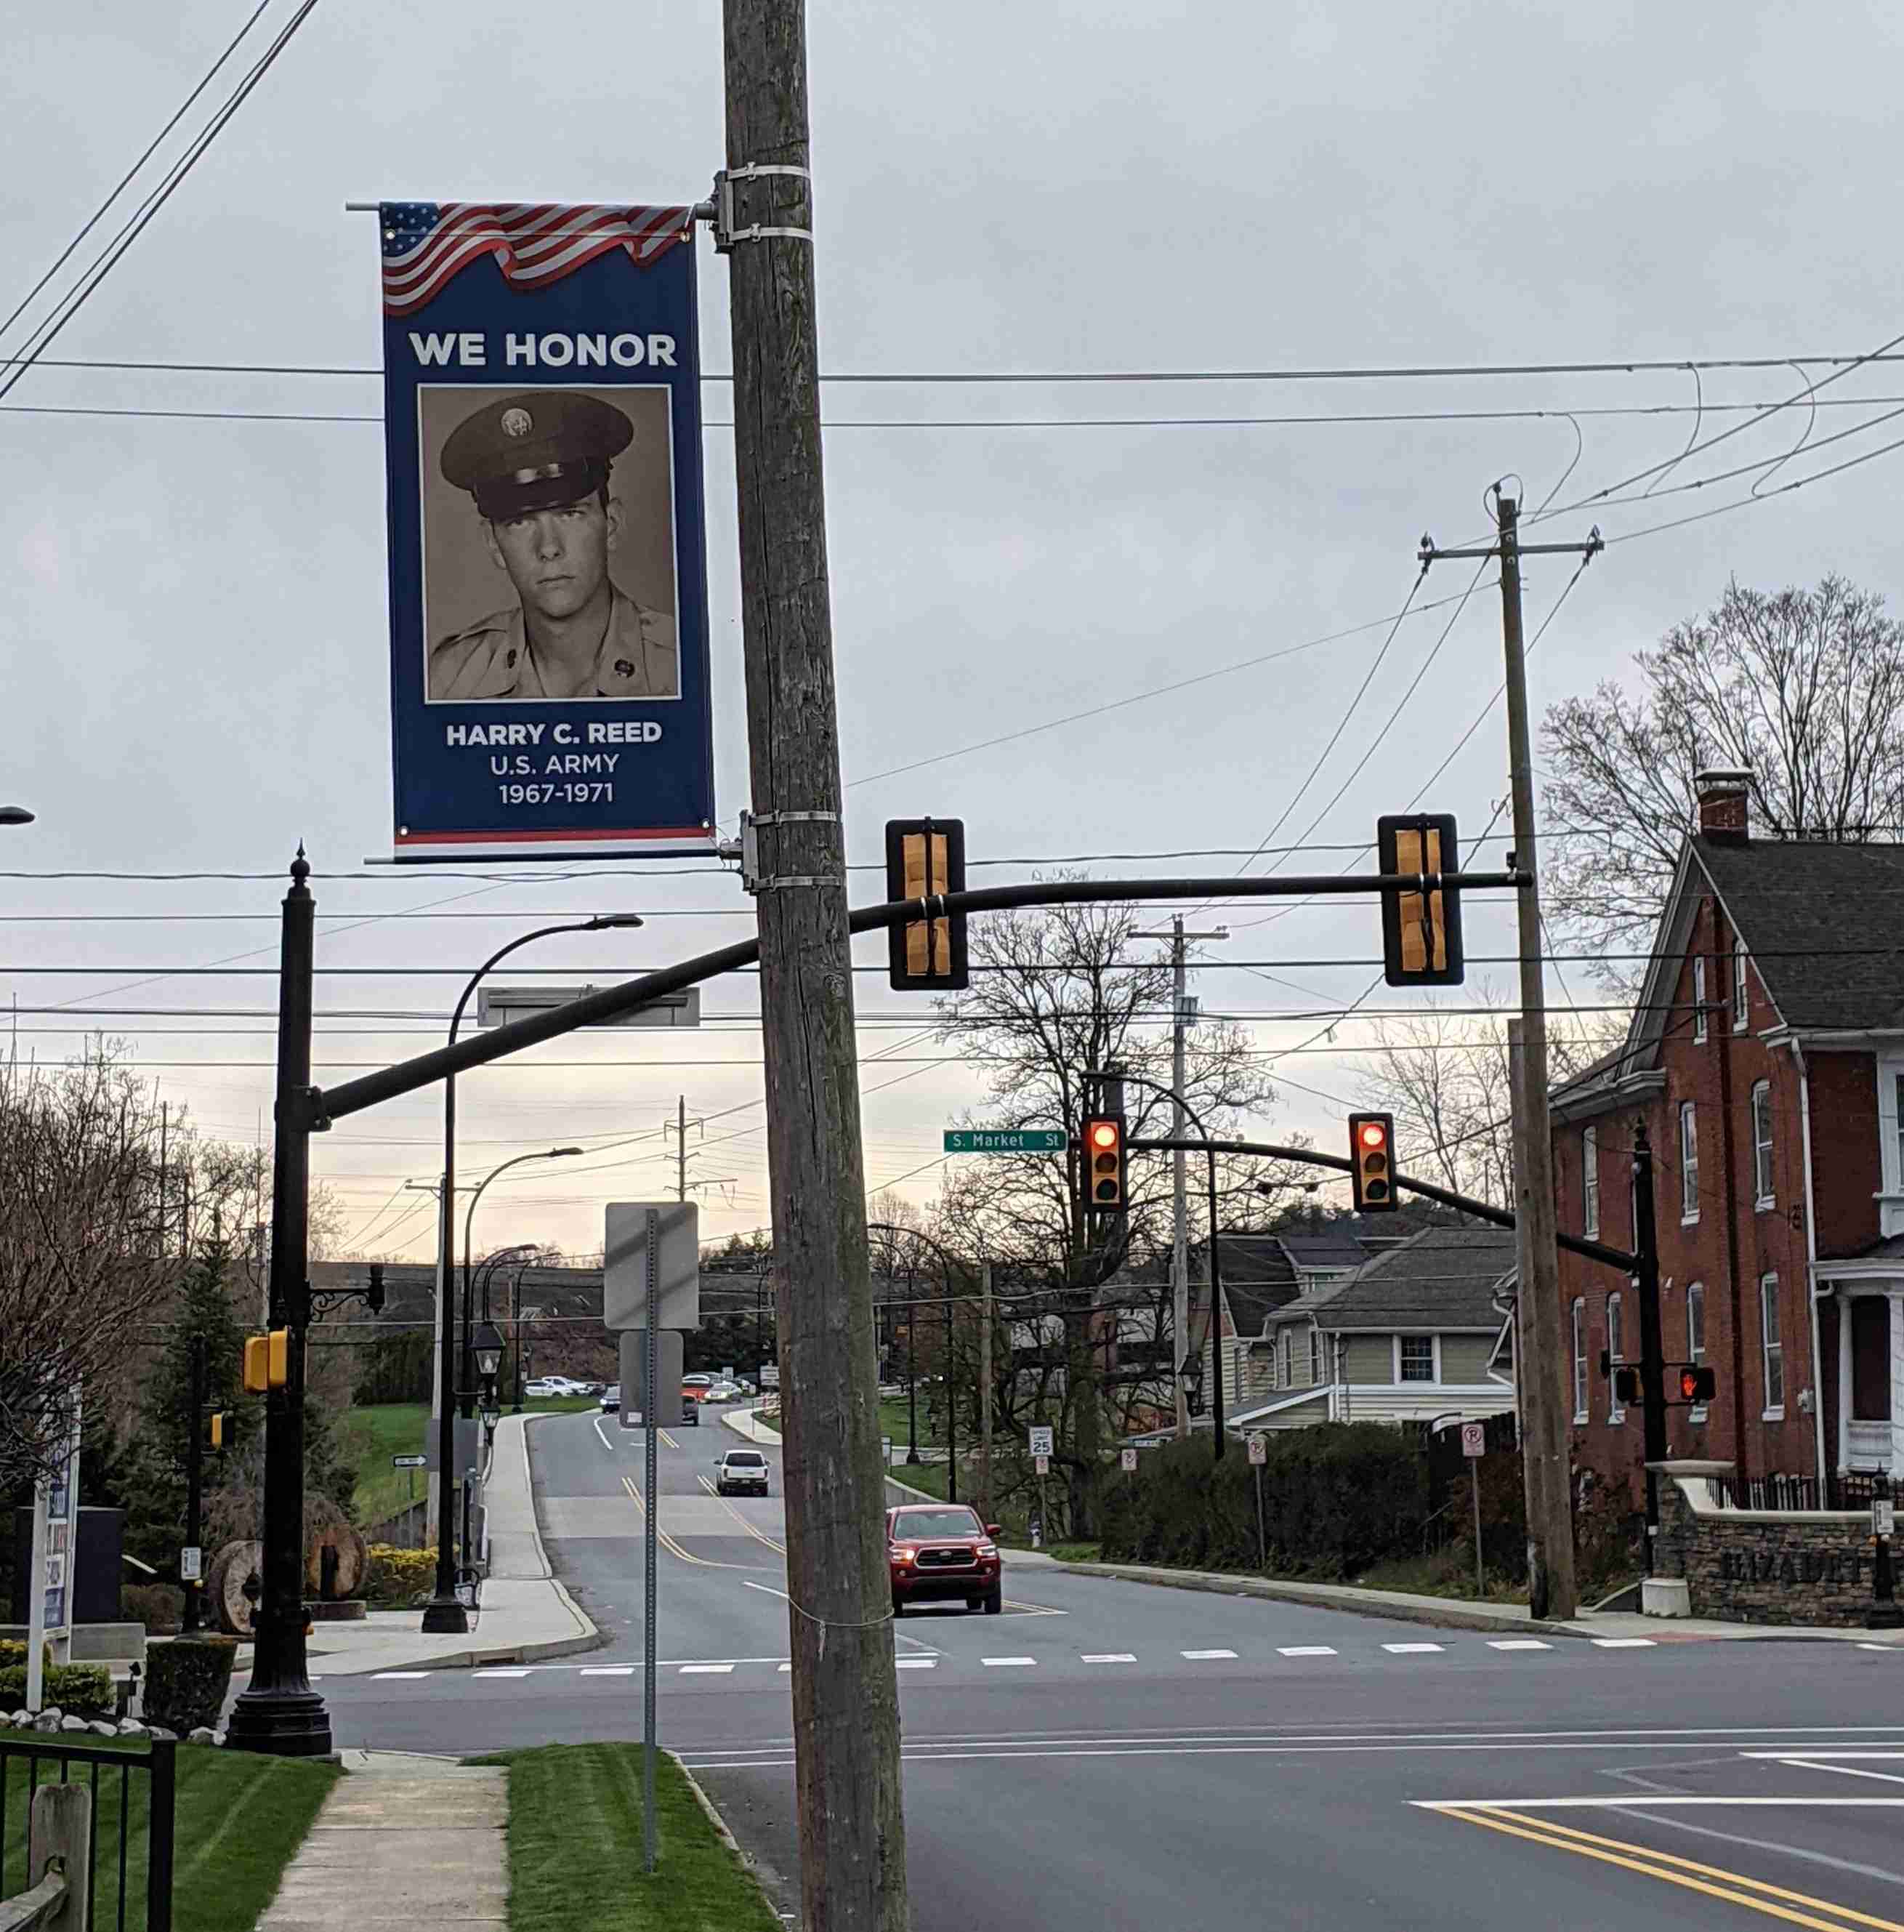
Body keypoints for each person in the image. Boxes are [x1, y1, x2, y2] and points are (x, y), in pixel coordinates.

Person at [428, 390, 678, 700]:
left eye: (570, 514)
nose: (548, 548)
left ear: (611, 524)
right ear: (494, 543)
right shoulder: (451, 678)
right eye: (520, 522)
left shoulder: (682, 664)